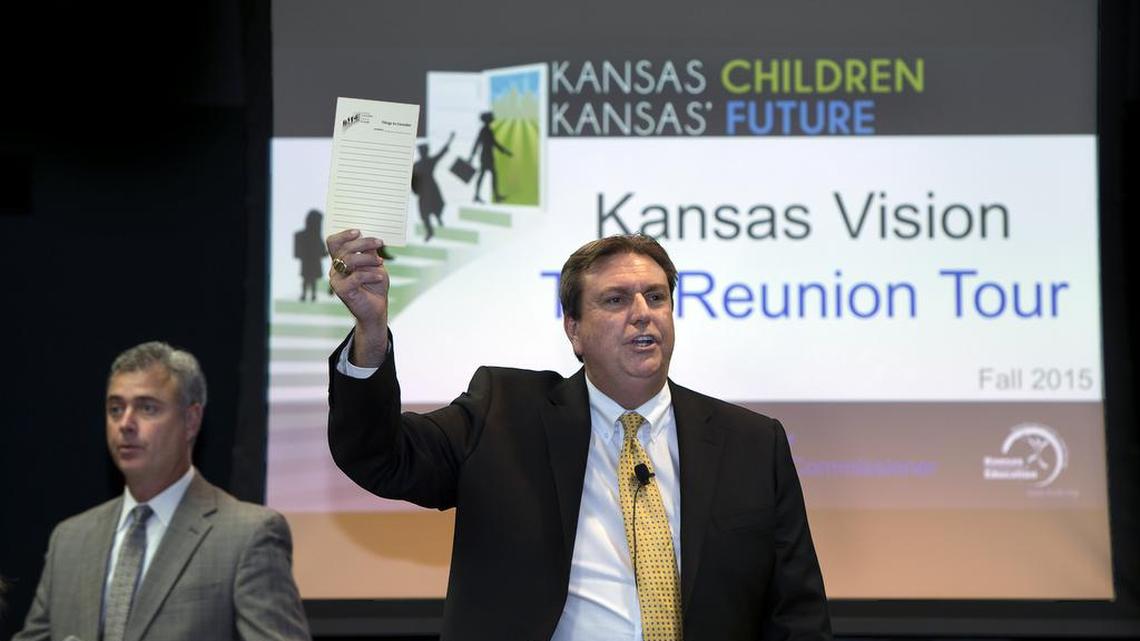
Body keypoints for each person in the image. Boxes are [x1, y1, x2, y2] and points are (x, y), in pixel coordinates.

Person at [325, 231, 831, 641]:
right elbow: (382, 456)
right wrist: (371, 331)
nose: (642, 312)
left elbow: (797, 616)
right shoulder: (504, 414)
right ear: (574, 330)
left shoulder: (751, 443)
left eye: (656, 297)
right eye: (615, 300)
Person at [14, 342, 311, 641]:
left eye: (147, 408)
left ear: (191, 420)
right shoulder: (69, 540)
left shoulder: (247, 535)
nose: (125, 424)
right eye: (115, 409)